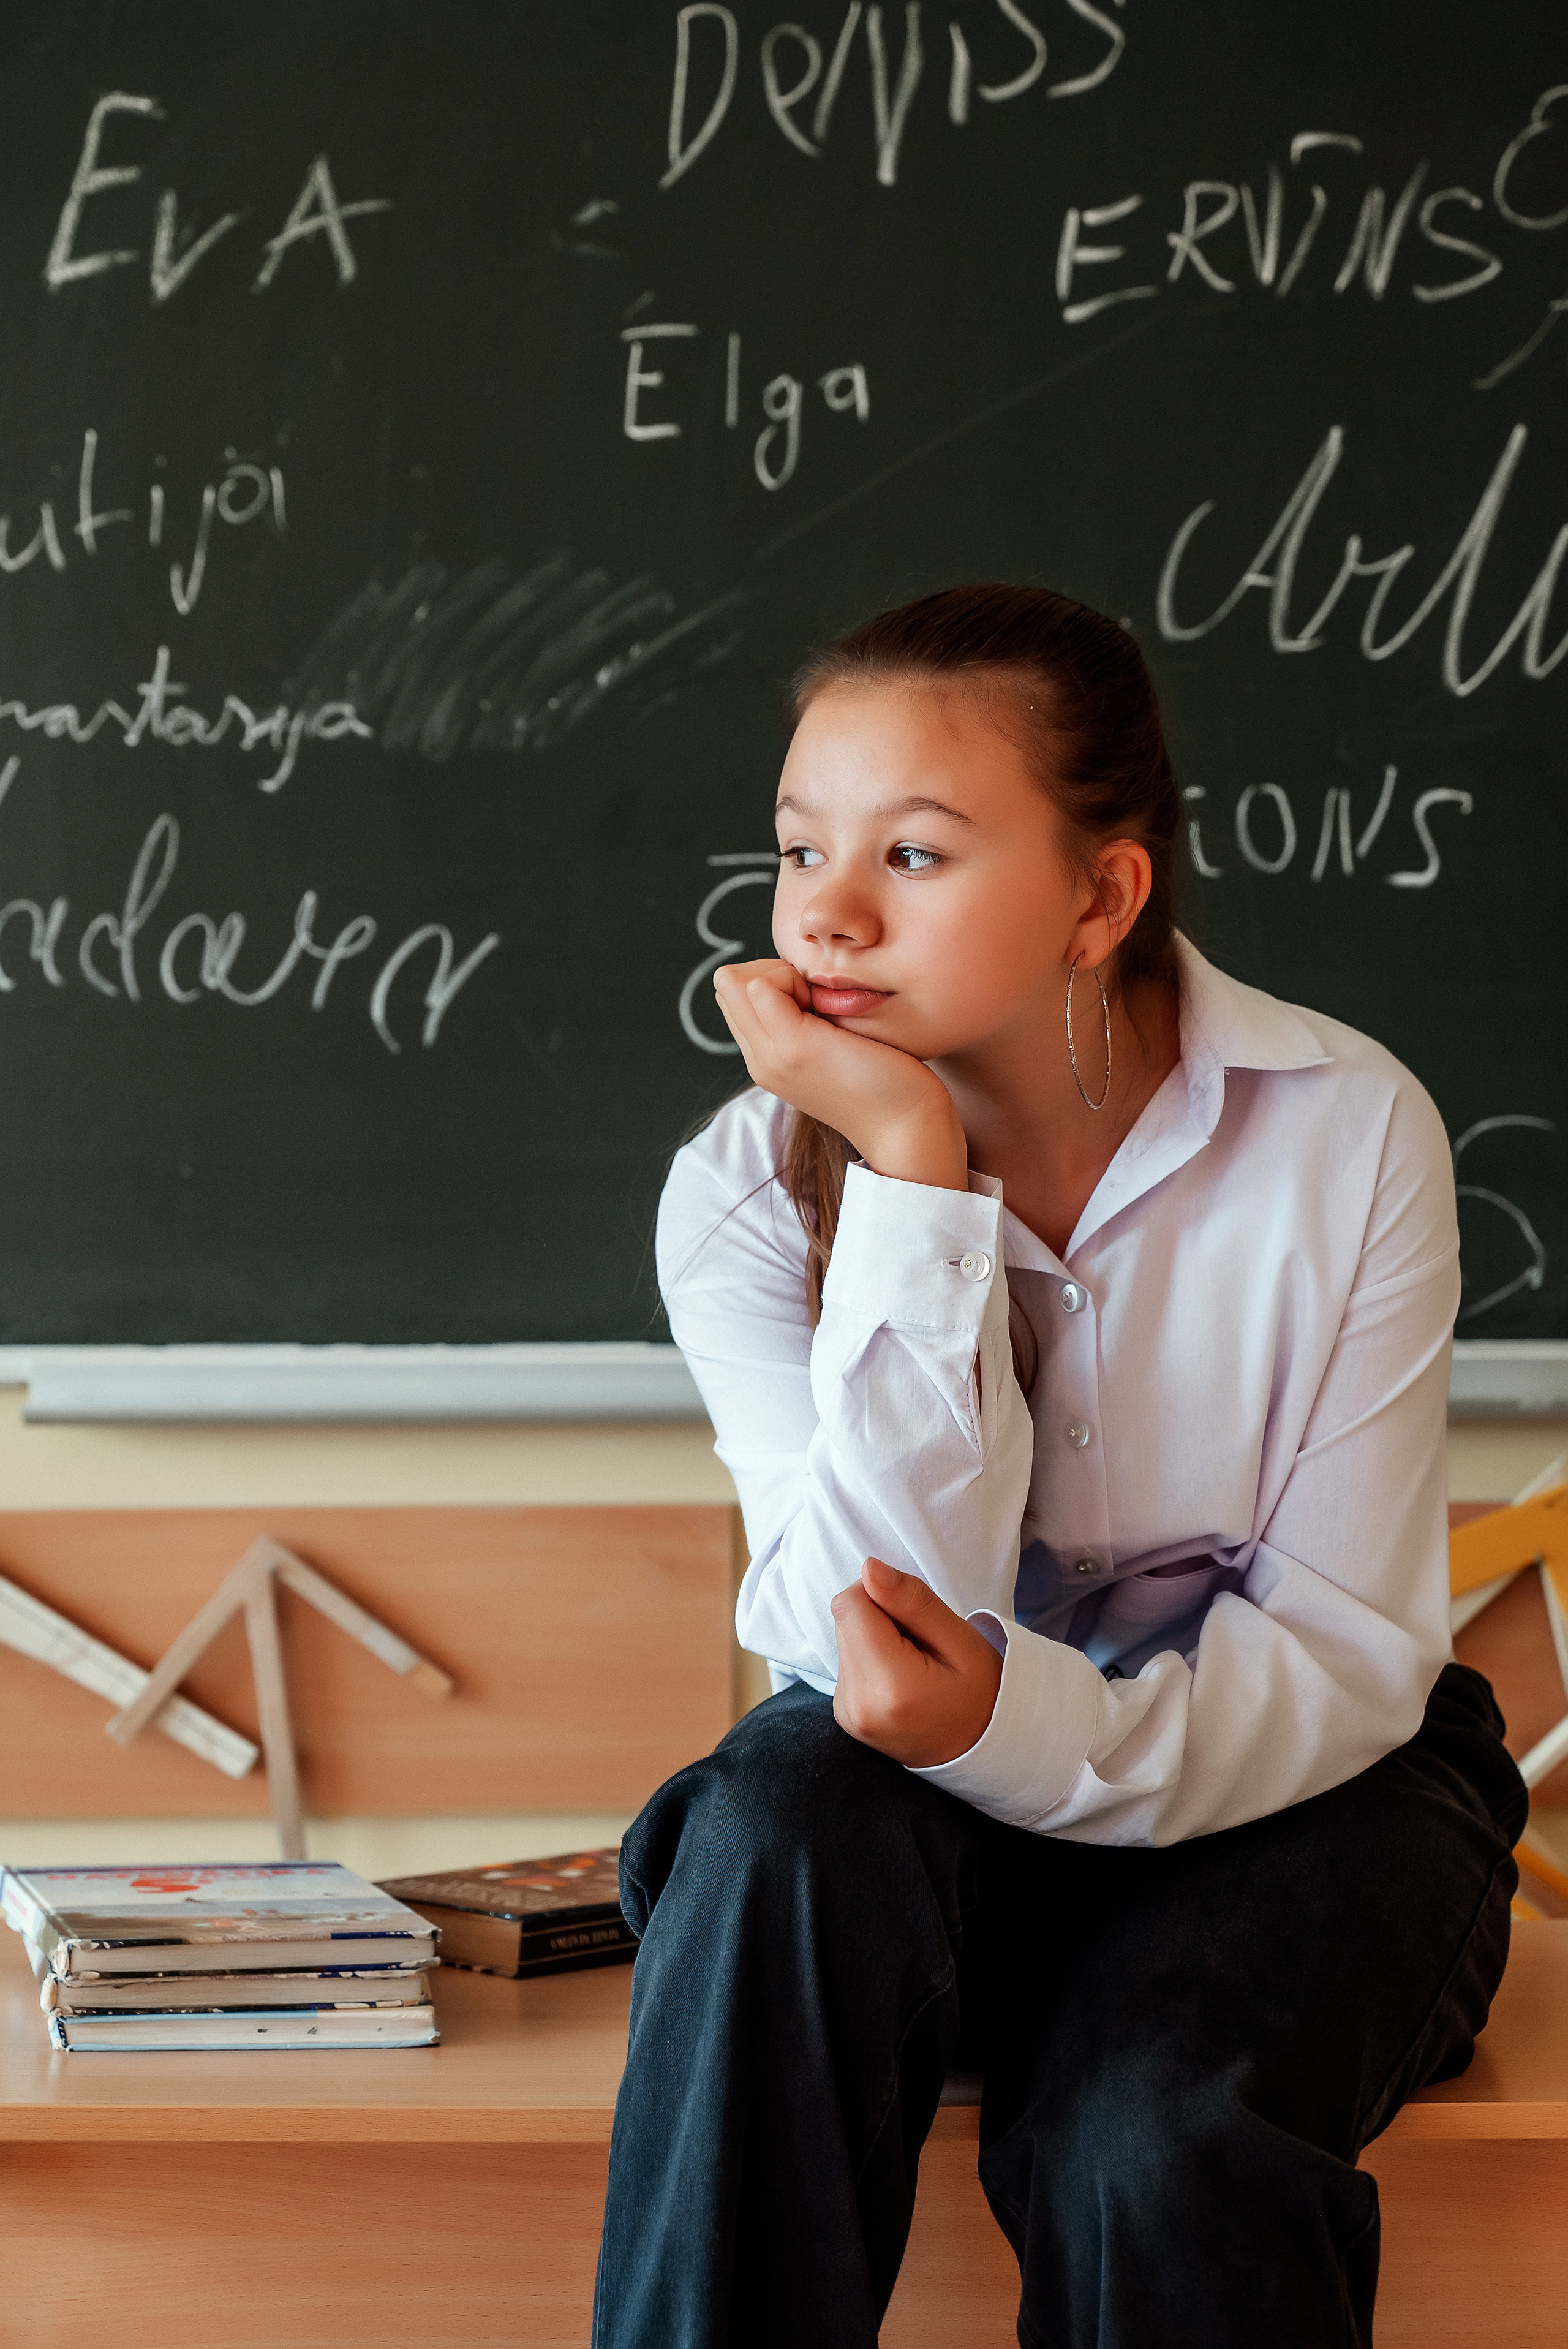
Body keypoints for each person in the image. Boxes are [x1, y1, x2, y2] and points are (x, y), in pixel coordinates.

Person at [592, 583, 1525, 2349]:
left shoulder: (1348, 1133)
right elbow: (867, 1625)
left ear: (1104, 893)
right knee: (778, 1811)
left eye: (916, 855)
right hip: (917, 1800)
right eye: (800, 848)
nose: (829, 914)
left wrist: (1013, 1729)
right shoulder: (738, 1188)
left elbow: (1336, 1659)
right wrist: (911, 1172)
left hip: (1307, 1795)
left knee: (1145, 2134)